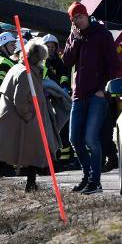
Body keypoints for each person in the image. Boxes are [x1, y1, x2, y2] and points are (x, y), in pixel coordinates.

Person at [0, 39, 59, 204]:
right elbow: (20, 99)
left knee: (30, 152)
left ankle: (30, 185)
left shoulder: (19, 68)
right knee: (2, 158)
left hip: (12, 121)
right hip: (16, 121)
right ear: (38, 58)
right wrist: (29, 116)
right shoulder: (26, 73)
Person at [62, 2, 121, 195]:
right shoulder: (74, 36)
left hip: (97, 95)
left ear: (87, 15)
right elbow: (67, 61)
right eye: (74, 18)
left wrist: (104, 90)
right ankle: (87, 177)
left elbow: (114, 64)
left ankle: (95, 181)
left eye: (80, 16)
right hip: (79, 95)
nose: (78, 20)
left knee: (90, 138)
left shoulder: (102, 34)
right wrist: (76, 40)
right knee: (74, 139)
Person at [43, 33, 75, 169]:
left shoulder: (59, 61)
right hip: (46, 98)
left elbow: (63, 75)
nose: (50, 49)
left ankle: (65, 160)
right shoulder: (42, 61)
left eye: (52, 46)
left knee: (63, 128)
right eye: (47, 46)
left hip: (59, 97)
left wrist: (64, 87)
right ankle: (52, 159)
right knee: (50, 128)